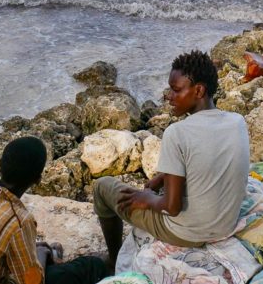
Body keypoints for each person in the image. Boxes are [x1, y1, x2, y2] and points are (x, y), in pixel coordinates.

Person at [93, 50, 250, 270]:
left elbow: (171, 207)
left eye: (176, 90)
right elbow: (205, 155)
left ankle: (112, 259)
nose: (168, 96)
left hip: (186, 232)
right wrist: (161, 177)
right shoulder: (237, 122)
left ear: (199, 90)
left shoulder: (177, 133)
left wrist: (147, 198)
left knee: (102, 187)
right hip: (225, 225)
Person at [0, 136, 109, 284]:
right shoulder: (18, 221)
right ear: (38, 179)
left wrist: (32, 250)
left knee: (32, 252)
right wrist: (40, 254)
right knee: (90, 266)